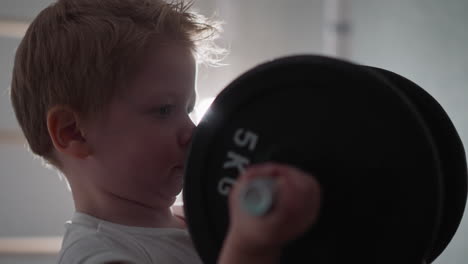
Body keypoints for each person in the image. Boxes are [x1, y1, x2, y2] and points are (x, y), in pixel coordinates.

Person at [9, 0, 321, 263]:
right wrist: (251, 246)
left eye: (188, 109)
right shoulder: (97, 255)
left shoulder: (199, 220)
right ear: (73, 132)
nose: (192, 131)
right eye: (163, 110)